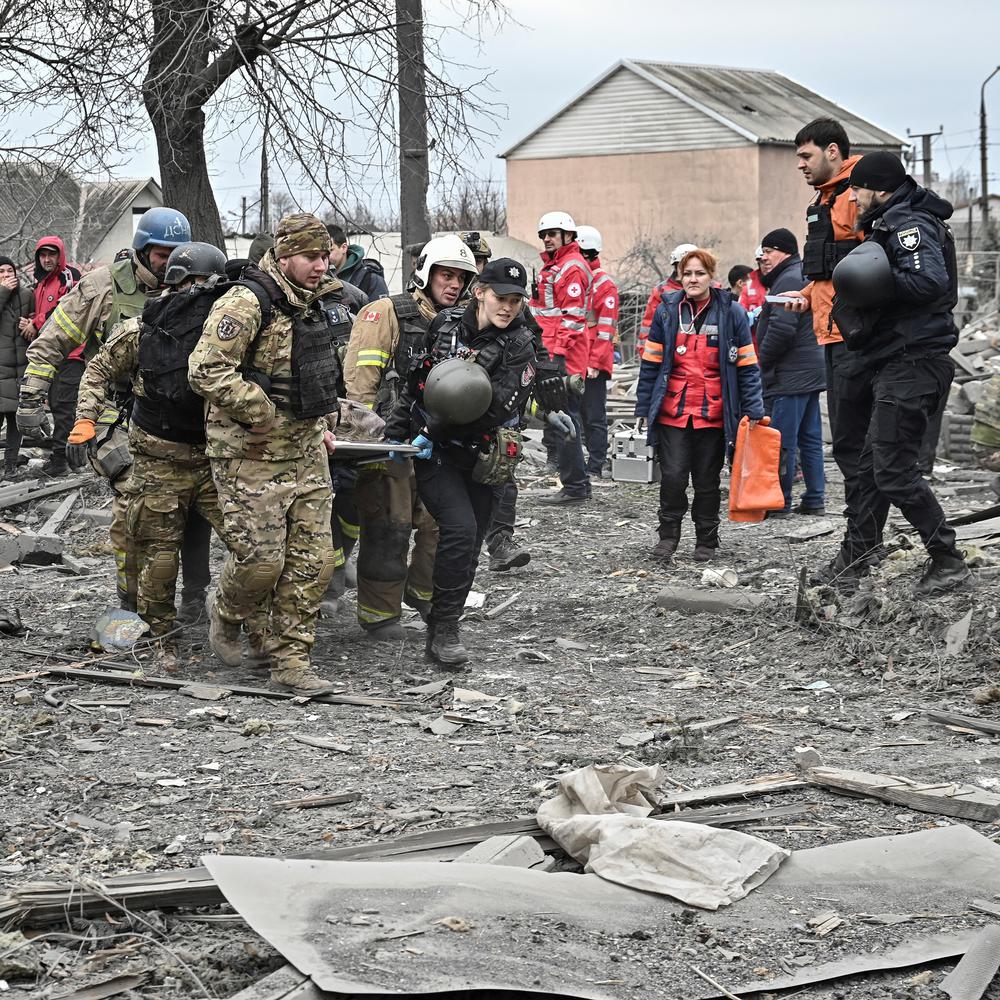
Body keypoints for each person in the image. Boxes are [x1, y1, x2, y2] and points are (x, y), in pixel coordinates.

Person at [188, 212, 346, 695]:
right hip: (249, 455)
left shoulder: (314, 303)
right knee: (261, 562)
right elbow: (205, 368)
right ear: (283, 255)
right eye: (310, 257)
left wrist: (318, 423)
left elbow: (306, 373)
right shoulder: (247, 301)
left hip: (305, 454)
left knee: (314, 562)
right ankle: (227, 610)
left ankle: (290, 662)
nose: (321, 266)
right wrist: (261, 411)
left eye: (324, 256)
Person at [18, 207, 196, 611]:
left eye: (177, 252)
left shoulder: (194, 287)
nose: (170, 262)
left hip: (176, 421)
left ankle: (190, 600)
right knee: (134, 506)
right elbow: (53, 339)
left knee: (187, 518)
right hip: (112, 417)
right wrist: (31, 397)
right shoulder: (103, 287)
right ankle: (130, 605)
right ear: (142, 250)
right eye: (161, 253)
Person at [813, 152, 970, 597]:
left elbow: (929, 283)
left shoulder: (908, 225)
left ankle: (947, 559)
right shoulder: (892, 221)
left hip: (914, 362)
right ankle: (857, 558)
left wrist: (872, 287)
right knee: (868, 468)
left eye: (857, 190)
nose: (854, 198)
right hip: (895, 361)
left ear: (877, 188)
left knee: (894, 470)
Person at [72, 242, 229, 645]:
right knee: (143, 541)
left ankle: (216, 612)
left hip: (214, 458)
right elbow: (97, 371)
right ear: (176, 282)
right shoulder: (145, 328)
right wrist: (87, 420)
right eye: (195, 284)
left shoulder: (229, 330)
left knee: (246, 544)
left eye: (209, 284)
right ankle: (141, 619)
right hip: (154, 453)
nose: (201, 293)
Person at [386, 258, 537, 667]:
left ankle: (441, 626)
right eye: (501, 297)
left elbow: (495, 406)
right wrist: (395, 433)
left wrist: (431, 432)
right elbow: (419, 382)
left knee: (469, 546)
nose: (508, 307)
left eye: (516, 300)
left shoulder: (521, 343)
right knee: (458, 528)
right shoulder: (446, 325)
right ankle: (447, 627)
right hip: (437, 456)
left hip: (483, 455)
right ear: (480, 293)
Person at [343, 234, 478, 639]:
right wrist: (367, 440)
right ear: (425, 272)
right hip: (392, 443)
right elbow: (359, 383)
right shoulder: (385, 313)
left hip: (442, 444)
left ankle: (425, 595)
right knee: (390, 527)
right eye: (446, 275)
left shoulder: (465, 323)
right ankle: (379, 615)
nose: (454, 285)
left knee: (442, 525)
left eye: (461, 278)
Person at [635, 248, 764, 562]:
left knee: (707, 482)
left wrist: (754, 409)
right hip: (673, 412)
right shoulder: (667, 311)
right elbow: (650, 363)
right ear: (680, 276)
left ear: (711, 277)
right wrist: (642, 407)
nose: (693, 279)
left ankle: (706, 540)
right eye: (687, 273)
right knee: (674, 477)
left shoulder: (730, 312)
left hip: (714, 414)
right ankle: (668, 537)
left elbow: (747, 365)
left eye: (699, 273)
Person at [782, 119, 865, 529]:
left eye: (805, 155)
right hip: (831, 332)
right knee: (846, 444)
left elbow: (870, 264)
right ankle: (862, 536)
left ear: (833, 151)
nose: (800, 164)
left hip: (855, 335)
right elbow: (828, 273)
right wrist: (807, 297)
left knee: (853, 444)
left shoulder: (856, 196)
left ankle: (863, 537)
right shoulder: (824, 202)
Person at [755, 229, 826, 515]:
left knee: (782, 441)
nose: (764, 257)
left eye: (769, 251)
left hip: (791, 373)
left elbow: (782, 329)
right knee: (810, 438)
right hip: (809, 371)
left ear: (785, 251)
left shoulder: (788, 279)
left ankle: (779, 501)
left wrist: (764, 362)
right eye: (762, 252)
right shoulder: (798, 274)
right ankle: (814, 498)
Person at [530, 211, 593, 504]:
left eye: (553, 234)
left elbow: (572, 319)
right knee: (562, 417)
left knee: (566, 418)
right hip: (552, 352)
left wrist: (556, 357)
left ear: (568, 236)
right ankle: (576, 484)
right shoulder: (555, 268)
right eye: (544, 234)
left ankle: (575, 487)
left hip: (564, 357)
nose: (547, 239)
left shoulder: (572, 268)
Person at [576, 225, 618, 478]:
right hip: (575, 360)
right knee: (578, 416)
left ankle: (596, 464)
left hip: (593, 365)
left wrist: (594, 363)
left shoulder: (604, 286)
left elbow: (606, 332)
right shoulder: (577, 280)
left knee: (593, 415)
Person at [0, 257, 33, 479]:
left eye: (9, 271)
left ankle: (10, 467)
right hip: (0, 370)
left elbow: (37, 321)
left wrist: (32, 326)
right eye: (0, 272)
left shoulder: (27, 295)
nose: (5, 275)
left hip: (20, 368)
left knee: (16, 421)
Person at [637, 243, 697, 358]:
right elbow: (648, 327)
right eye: (683, 266)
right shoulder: (661, 292)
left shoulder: (712, 291)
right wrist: (647, 358)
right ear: (675, 266)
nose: (687, 270)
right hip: (669, 356)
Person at [328, 224, 389, 302]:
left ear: (343, 248)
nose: (325, 256)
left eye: (330, 250)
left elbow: (382, 312)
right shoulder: (318, 278)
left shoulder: (369, 278)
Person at [737, 249, 767, 342]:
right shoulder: (748, 287)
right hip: (753, 343)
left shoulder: (783, 283)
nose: (765, 265)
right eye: (762, 261)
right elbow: (740, 317)